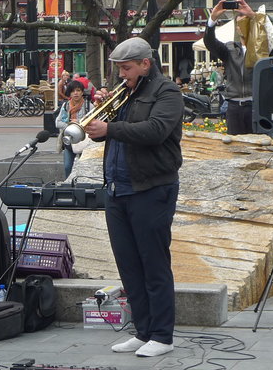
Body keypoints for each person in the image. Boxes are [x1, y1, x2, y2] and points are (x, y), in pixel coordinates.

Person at [84, 37, 182, 358]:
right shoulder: (126, 93)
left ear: (145, 63)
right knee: (129, 266)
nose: (122, 74)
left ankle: (162, 336)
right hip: (117, 189)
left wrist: (110, 129)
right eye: (119, 69)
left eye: (126, 68)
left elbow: (155, 131)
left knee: (153, 264)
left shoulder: (167, 92)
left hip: (151, 189)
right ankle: (143, 331)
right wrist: (102, 118)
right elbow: (117, 130)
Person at [205, 0, 273, 135]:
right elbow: (210, 43)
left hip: (256, 105)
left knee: (260, 146)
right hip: (234, 106)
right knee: (235, 146)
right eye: (239, 24)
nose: (242, 27)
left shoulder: (261, 49)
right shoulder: (230, 49)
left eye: (245, 22)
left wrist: (253, 16)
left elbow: (272, 37)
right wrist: (212, 20)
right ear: (236, 28)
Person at [55, 80, 90, 178]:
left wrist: (79, 124)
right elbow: (58, 122)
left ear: (82, 92)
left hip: (84, 141)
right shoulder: (65, 106)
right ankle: (68, 186)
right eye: (73, 91)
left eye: (78, 90)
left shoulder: (88, 105)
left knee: (84, 168)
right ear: (70, 93)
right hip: (69, 141)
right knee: (67, 166)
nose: (76, 93)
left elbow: (94, 121)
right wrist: (70, 125)